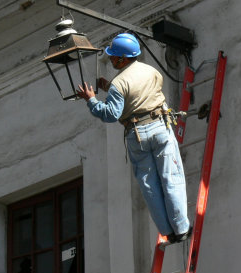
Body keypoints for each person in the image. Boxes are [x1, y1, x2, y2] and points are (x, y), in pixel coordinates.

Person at [77, 33, 191, 243]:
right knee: (171, 177)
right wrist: (109, 87)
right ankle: (182, 227)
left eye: (113, 57)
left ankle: (168, 231)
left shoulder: (119, 84)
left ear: (122, 58)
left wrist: (92, 100)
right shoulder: (151, 71)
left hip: (137, 135)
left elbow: (111, 114)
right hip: (159, 127)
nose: (111, 60)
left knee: (150, 186)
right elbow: (138, 92)